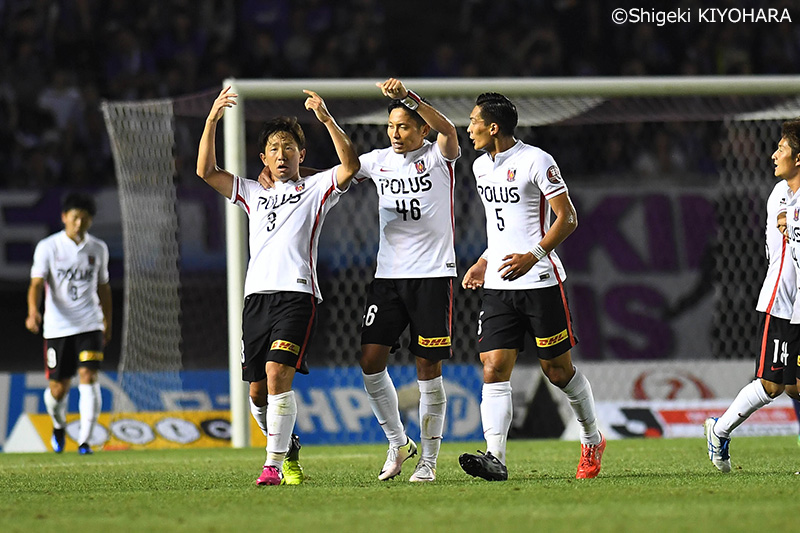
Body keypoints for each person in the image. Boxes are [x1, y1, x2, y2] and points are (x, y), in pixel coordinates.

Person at [197, 86, 360, 486]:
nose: (282, 153)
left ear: (301, 155)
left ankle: (271, 466)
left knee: (276, 374)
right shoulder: (252, 193)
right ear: (263, 158)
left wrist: (326, 119)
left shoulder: (317, 188)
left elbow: (350, 166)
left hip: (297, 295)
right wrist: (211, 120)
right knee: (256, 393)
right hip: (255, 300)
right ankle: (287, 448)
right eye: (274, 147)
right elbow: (206, 171)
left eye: (289, 147)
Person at [459, 92, 604, 481]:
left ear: (493, 127)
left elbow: (568, 218)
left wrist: (533, 256)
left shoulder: (537, 160)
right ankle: (495, 457)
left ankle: (591, 439)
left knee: (557, 372)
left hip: (540, 280)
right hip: (498, 283)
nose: (468, 127)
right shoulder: (479, 168)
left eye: (474, 120)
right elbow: (503, 228)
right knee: (492, 367)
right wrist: (484, 261)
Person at [353, 78, 460, 482]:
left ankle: (429, 462)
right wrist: (293, 175)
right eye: (391, 127)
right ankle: (398, 442)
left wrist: (408, 97)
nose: (395, 134)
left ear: (421, 130)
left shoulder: (439, 156)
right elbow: (342, 172)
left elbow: (451, 130)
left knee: (427, 366)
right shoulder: (377, 160)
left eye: (403, 126)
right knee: (370, 359)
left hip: (432, 275)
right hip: (389, 277)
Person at [707, 119, 800, 472]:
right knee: (773, 385)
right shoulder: (781, 194)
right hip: (782, 299)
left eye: (782, 148)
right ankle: (720, 430)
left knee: (796, 386)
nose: (774, 154)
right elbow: (784, 221)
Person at [26, 192, 112, 455]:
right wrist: (33, 311)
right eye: (75, 218)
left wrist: (107, 320)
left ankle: (85, 441)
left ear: (91, 221)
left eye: (84, 219)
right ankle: (58, 423)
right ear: (64, 217)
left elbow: (104, 287)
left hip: (89, 323)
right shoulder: (48, 247)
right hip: (57, 327)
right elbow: (37, 284)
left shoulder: (98, 248)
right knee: (58, 389)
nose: (79, 223)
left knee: (89, 375)